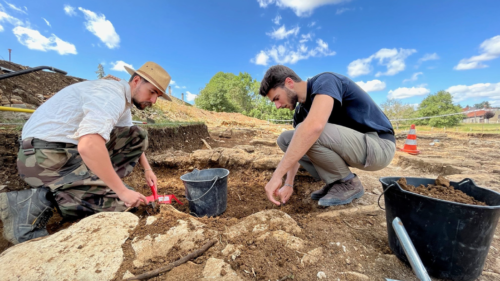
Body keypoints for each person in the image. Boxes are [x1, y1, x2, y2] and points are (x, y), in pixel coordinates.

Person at [0, 61, 171, 244]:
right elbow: (88, 145)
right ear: (136, 81)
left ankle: (94, 182)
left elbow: (132, 138)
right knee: (124, 205)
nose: (153, 101)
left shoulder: (122, 99)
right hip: (44, 158)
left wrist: (147, 169)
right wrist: (121, 191)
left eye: (158, 96)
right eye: (152, 92)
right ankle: (27, 204)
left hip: (65, 152)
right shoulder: (110, 95)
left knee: (136, 135)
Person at [260, 65, 395, 207]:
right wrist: (288, 183)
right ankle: (335, 182)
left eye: (277, 98)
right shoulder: (300, 113)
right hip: (357, 150)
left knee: (306, 130)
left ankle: (348, 183)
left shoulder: (325, 81)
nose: (277, 106)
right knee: (286, 139)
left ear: (289, 83)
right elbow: (297, 146)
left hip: (379, 146)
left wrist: (277, 175)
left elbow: (314, 128)